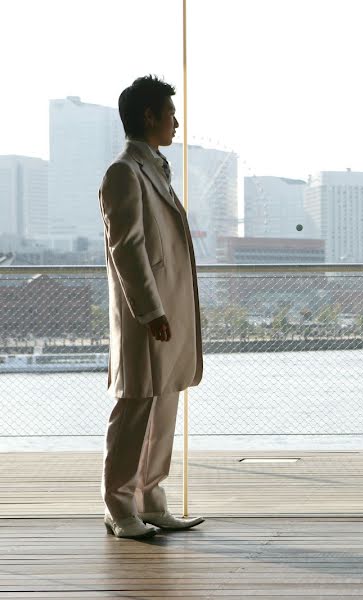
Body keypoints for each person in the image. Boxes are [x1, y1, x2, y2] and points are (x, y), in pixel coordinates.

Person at [98, 75, 204, 539]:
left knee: (164, 404)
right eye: (170, 113)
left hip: (169, 309)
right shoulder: (123, 172)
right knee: (136, 406)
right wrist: (150, 310)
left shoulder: (154, 168)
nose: (176, 122)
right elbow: (128, 248)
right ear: (149, 116)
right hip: (148, 313)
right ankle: (119, 508)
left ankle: (151, 499)